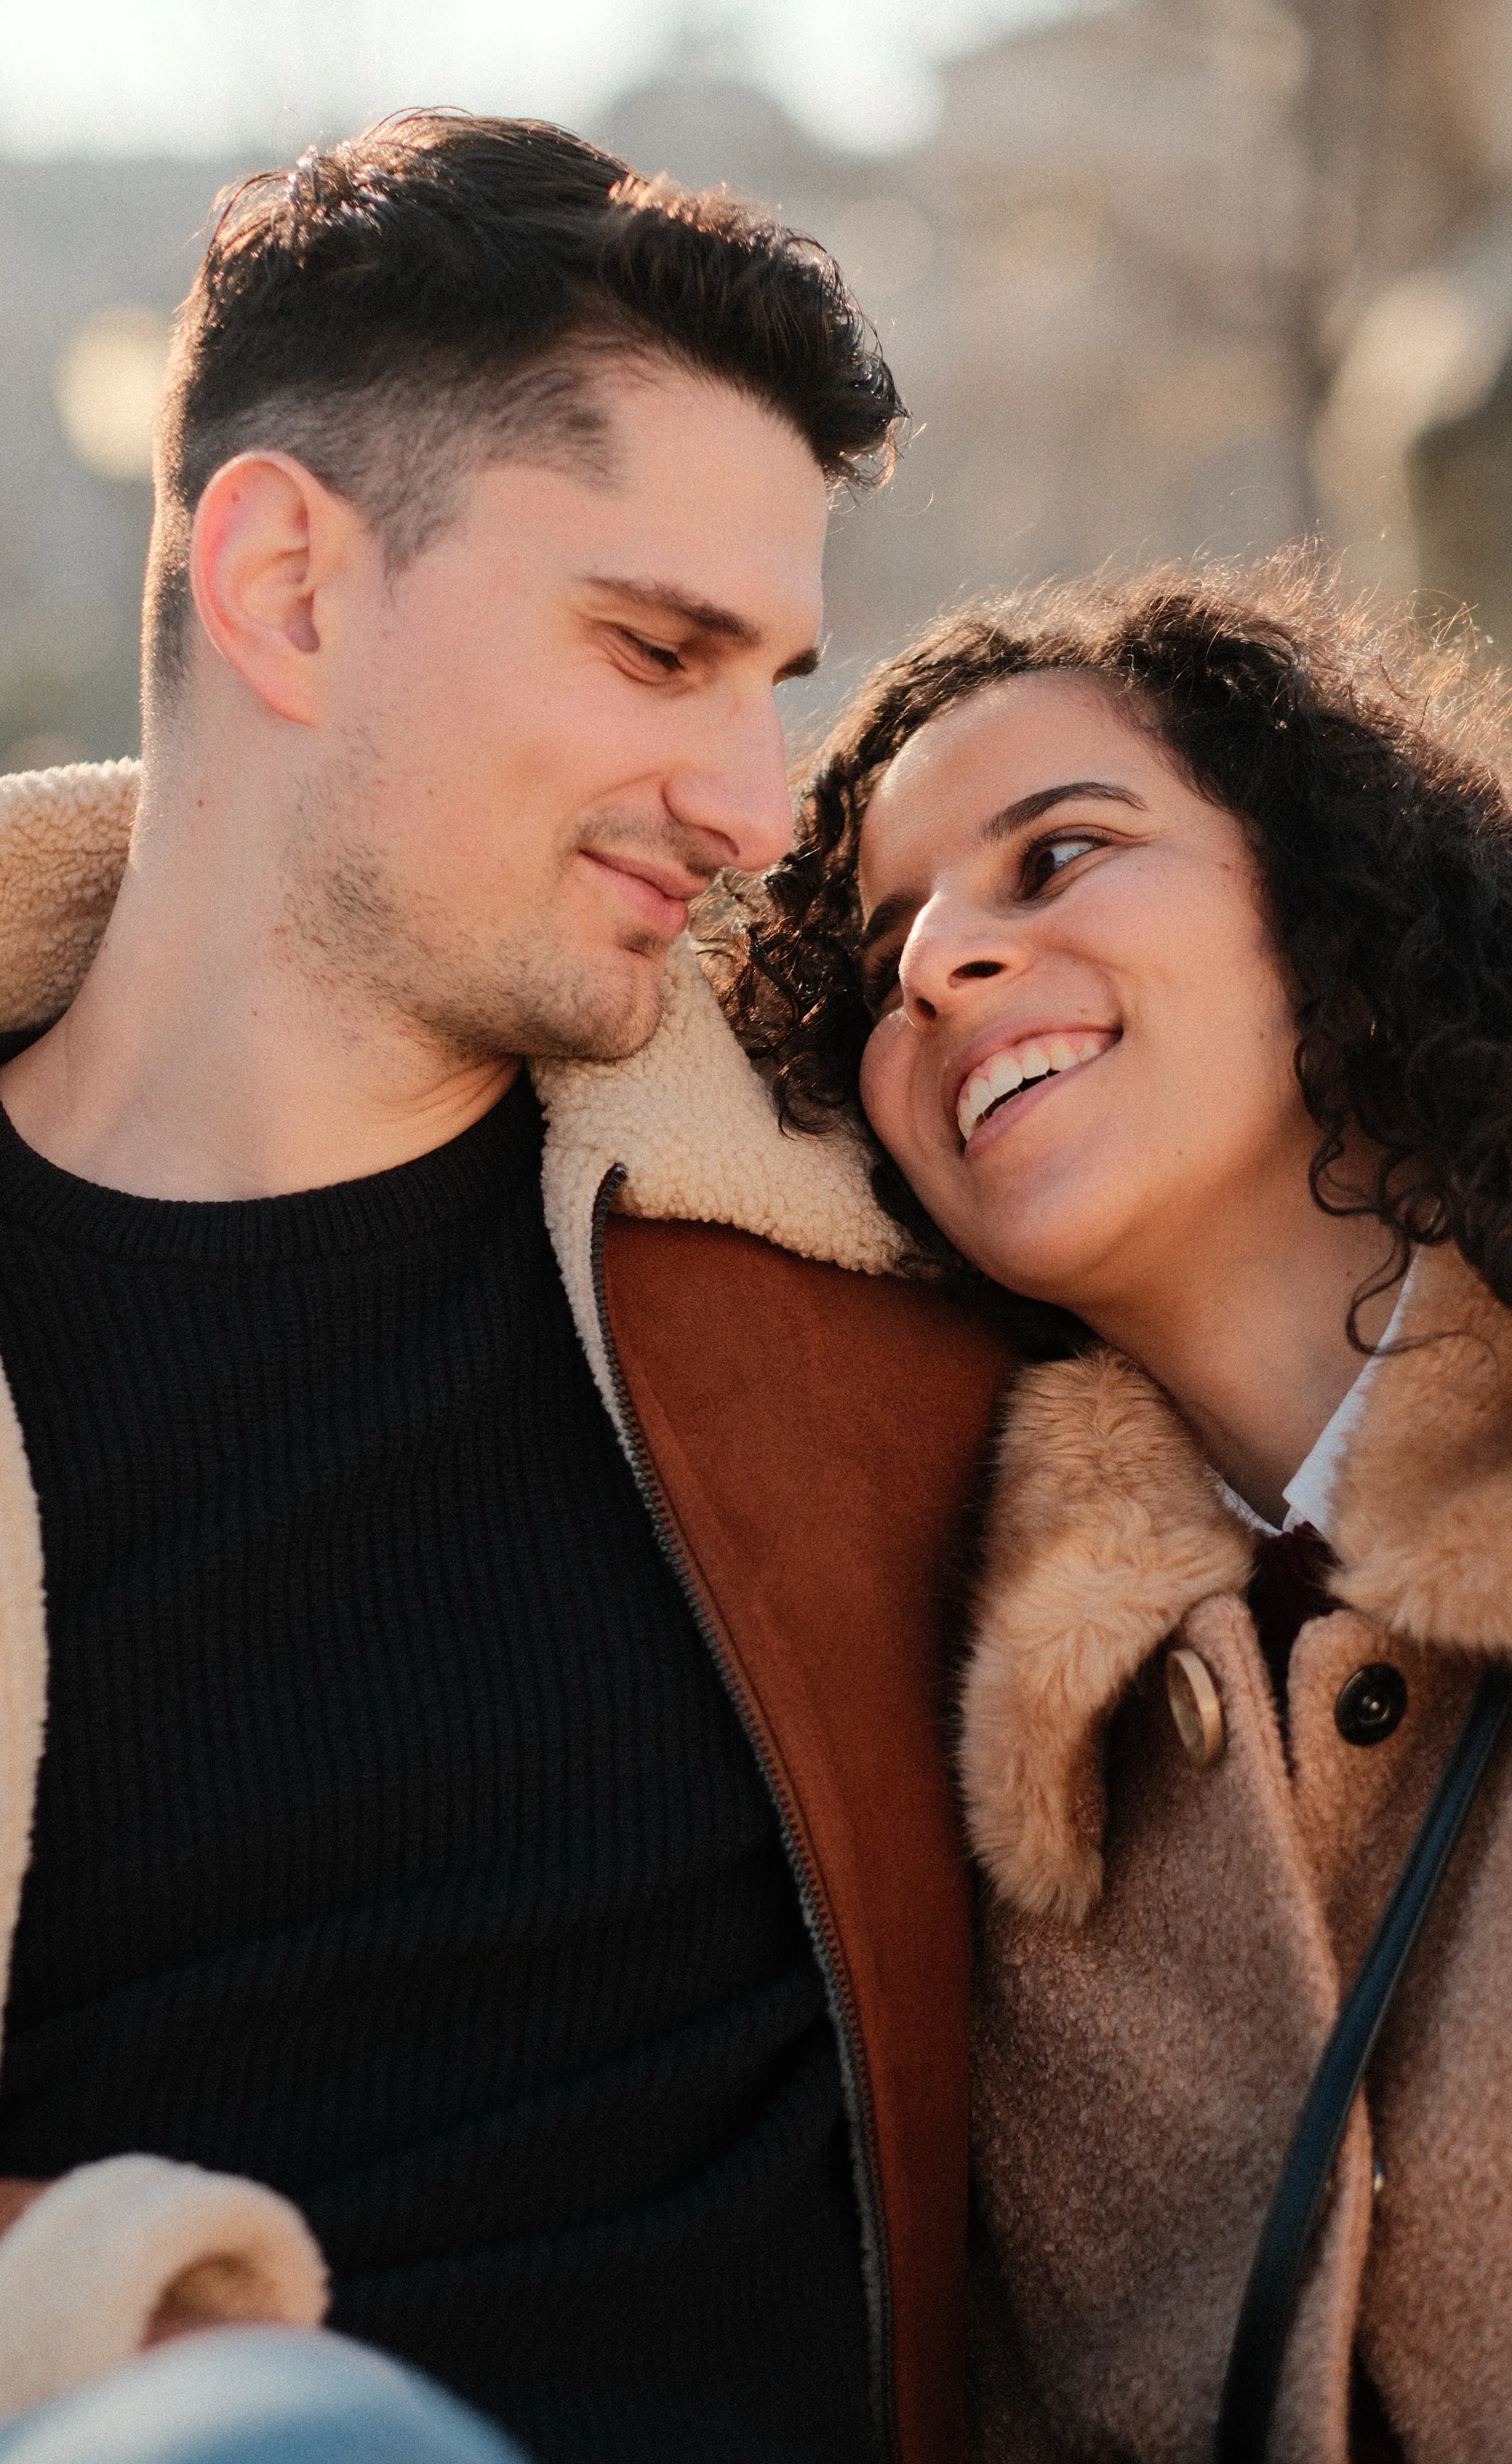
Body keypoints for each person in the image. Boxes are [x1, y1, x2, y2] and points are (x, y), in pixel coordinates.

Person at [0, 112, 1017, 2464]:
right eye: (660, 649)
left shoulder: (864, 1222)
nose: (759, 802)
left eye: (773, 679)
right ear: (284, 589)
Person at [729, 558, 1512, 2463]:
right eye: (883, 957)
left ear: (1326, 890)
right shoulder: (1001, 1733)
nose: (938, 965)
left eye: (1054, 856)